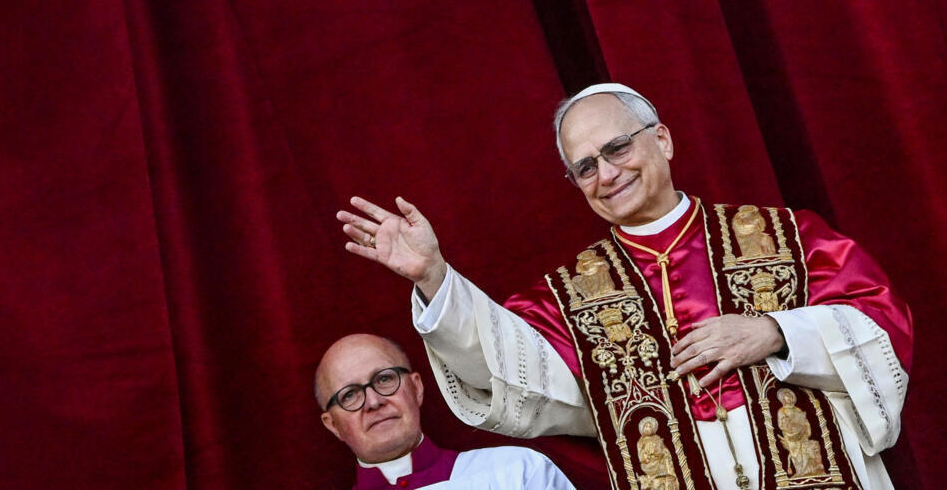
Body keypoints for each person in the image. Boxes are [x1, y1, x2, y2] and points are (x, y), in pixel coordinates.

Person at [335, 83, 912, 490]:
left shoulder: (788, 235)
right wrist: (434, 277)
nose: (606, 174)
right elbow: (504, 369)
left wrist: (775, 332)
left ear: (661, 139)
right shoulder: (565, 299)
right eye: (585, 166)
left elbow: (884, 328)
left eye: (617, 148)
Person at [316, 333, 576, 489]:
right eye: (349, 395)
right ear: (332, 424)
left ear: (416, 388)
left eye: (384, 379)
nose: (373, 401)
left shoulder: (517, 471)